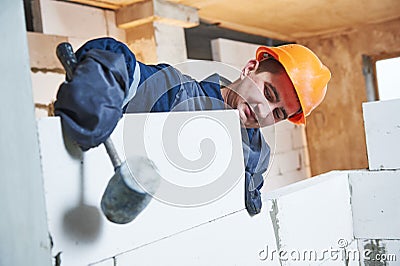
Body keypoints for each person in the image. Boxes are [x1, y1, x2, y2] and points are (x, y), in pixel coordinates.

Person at [54, 37, 331, 216]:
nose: (264, 111)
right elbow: (121, 61)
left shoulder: (259, 157)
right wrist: (105, 73)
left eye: (280, 113)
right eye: (268, 93)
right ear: (249, 69)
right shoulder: (177, 93)